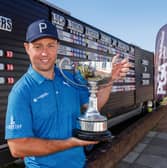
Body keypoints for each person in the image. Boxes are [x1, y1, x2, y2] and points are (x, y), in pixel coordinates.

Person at [5, 19, 130, 168]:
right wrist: (70, 143)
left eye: (50, 45)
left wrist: (110, 80)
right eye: (38, 46)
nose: (44, 52)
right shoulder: (21, 91)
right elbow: (17, 147)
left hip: (78, 164)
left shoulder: (69, 78)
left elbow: (93, 108)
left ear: (57, 46)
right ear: (27, 48)